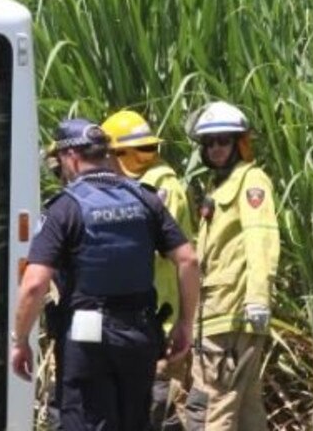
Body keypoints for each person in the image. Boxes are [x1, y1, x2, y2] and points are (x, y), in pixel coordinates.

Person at [11, 118, 200, 431]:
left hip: (87, 339)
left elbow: (33, 284)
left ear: (71, 157)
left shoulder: (64, 208)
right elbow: (189, 261)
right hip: (140, 334)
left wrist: (20, 341)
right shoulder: (145, 199)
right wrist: (185, 324)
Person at [183, 101, 280, 431]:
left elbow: (261, 239)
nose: (216, 149)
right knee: (246, 411)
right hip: (218, 314)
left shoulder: (251, 182)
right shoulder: (221, 186)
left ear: (239, 142)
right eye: (209, 143)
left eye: (223, 141)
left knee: (213, 406)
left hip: (232, 315)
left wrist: (257, 297)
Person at [101, 109, 196, 430]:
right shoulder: (141, 186)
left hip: (159, 320)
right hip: (140, 322)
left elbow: (163, 254)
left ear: (122, 155)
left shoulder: (159, 189)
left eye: (107, 155)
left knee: (157, 408)